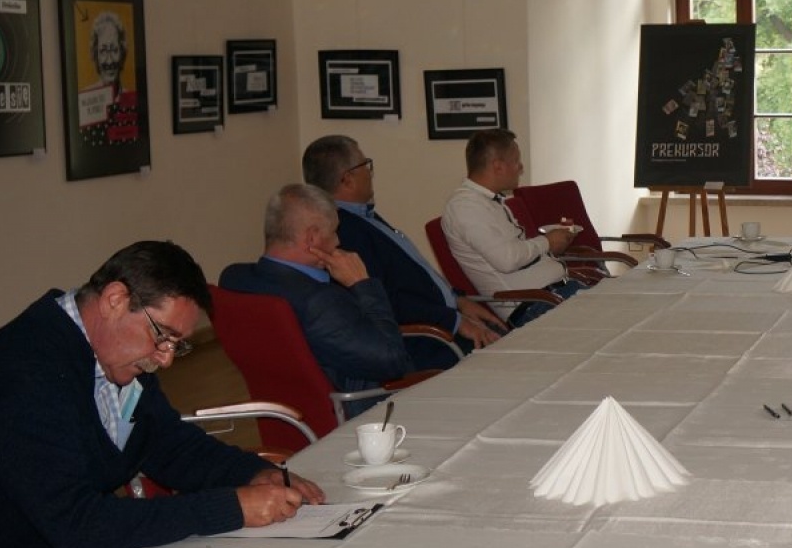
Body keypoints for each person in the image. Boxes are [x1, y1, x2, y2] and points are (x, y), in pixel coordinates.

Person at [0, 241, 325, 548]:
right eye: (162, 337)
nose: (164, 360)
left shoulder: (114, 357)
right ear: (115, 299)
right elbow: (75, 526)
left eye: (176, 345)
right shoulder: (21, 372)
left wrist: (250, 472)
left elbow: (167, 444)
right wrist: (231, 507)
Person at [302, 135, 505, 369]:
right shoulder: (344, 231)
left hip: (444, 320)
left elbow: (410, 278)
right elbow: (386, 302)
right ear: (347, 179)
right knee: (511, 362)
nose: (370, 172)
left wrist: (458, 300)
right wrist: (455, 321)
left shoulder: (361, 216)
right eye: (365, 165)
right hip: (427, 341)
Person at [219, 183, 414, 413]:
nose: (338, 241)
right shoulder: (319, 301)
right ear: (311, 238)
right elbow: (393, 362)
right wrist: (363, 284)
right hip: (362, 417)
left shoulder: (233, 279)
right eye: (333, 232)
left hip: (282, 415)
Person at [440, 129, 586, 326]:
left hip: (555, 294)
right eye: (516, 161)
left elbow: (518, 253)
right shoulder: (465, 207)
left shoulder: (489, 201)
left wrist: (550, 246)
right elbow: (507, 260)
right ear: (498, 166)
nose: (521, 167)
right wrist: (547, 241)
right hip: (536, 306)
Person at [77, 10, 139, 147]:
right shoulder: (83, 102)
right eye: (103, 51)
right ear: (95, 55)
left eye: (114, 50)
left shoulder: (133, 101)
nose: (109, 61)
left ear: (122, 53)